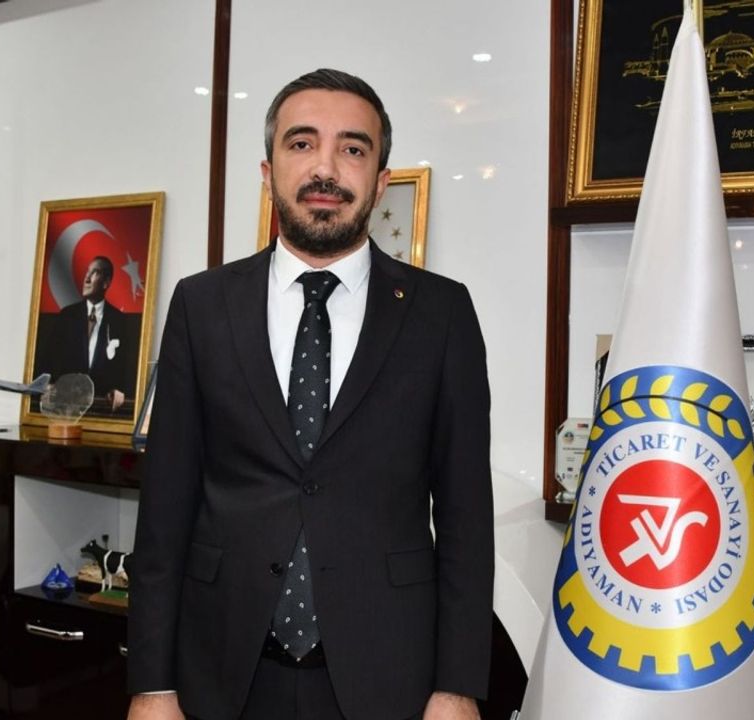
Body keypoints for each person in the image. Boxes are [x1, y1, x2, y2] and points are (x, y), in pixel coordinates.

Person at [126, 68, 493, 720]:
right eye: (302, 144)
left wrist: (457, 686)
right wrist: (152, 686)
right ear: (268, 171)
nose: (326, 168)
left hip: (389, 678)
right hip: (223, 672)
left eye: (352, 148)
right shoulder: (201, 306)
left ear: (380, 180)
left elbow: (467, 519)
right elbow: (163, 513)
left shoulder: (441, 314)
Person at [34, 255, 138, 413]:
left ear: (106, 282)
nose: (87, 278)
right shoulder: (67, 316)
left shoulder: (119, 321)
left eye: (95, 272)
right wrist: (47, 385)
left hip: (102, 408)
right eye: (87, 272)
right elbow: (47, 361)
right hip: (66, 407)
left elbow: (126, 367)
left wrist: (120, 390)